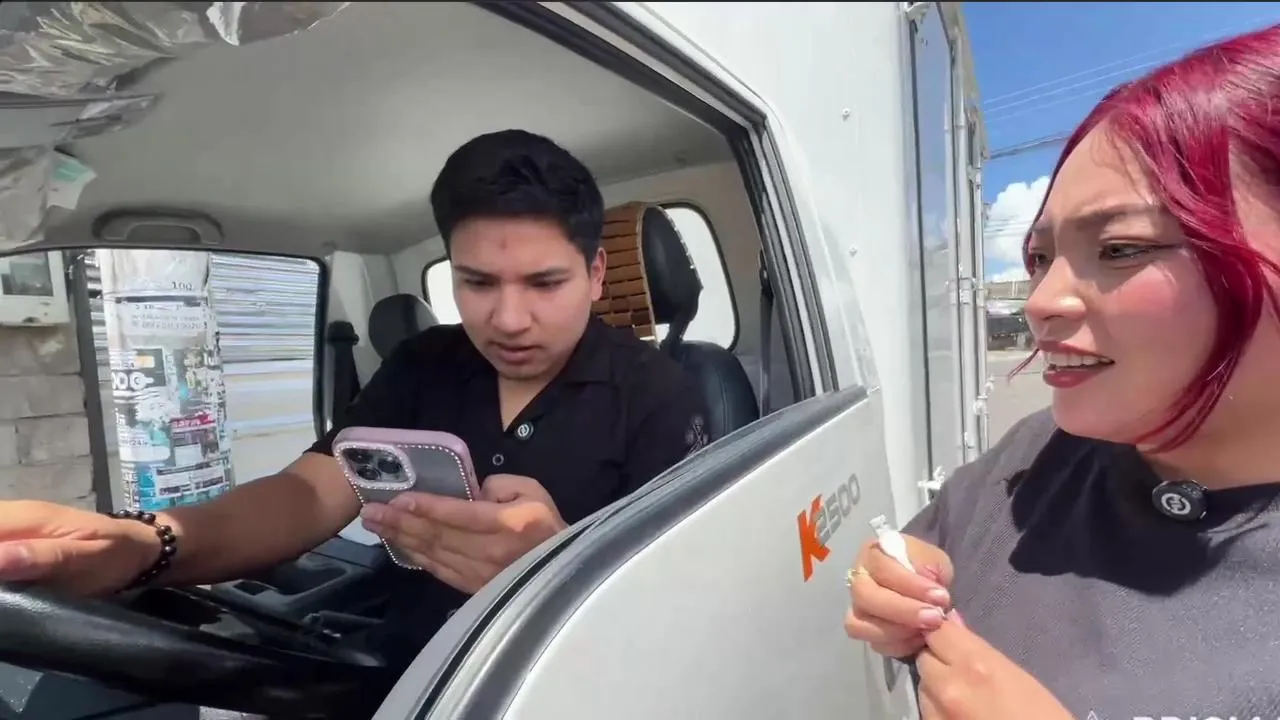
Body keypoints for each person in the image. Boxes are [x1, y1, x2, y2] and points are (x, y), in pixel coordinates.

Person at [0, 129, 708, 678]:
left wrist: (556, 572)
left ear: (595, 273)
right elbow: (308, 494)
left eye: (544, 283)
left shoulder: (659, 393)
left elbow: (682, 610)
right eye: (477, 283)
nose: (509, 319)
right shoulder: (424, 364)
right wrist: (148, 542)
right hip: (404, 679)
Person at [844, 24, 1280, 720]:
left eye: (1121, 248)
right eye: (1041, 258)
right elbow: (926, 544)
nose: (1040, 302)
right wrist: (893, 579)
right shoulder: (1041, 450)